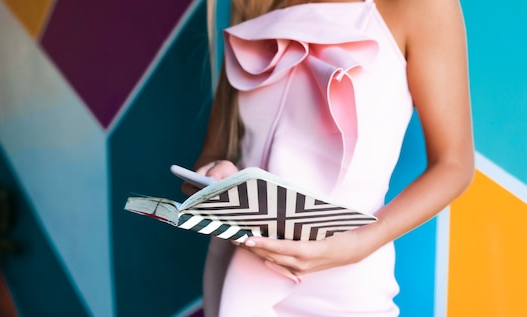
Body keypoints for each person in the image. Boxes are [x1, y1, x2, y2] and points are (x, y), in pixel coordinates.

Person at [182, 0, 474, 315]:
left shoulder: (423, 6)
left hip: (342, 289)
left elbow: (454, 165)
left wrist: (358, 245)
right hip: (237, 279)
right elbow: (215, 153)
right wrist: (218, 176)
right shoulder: (256, 4)